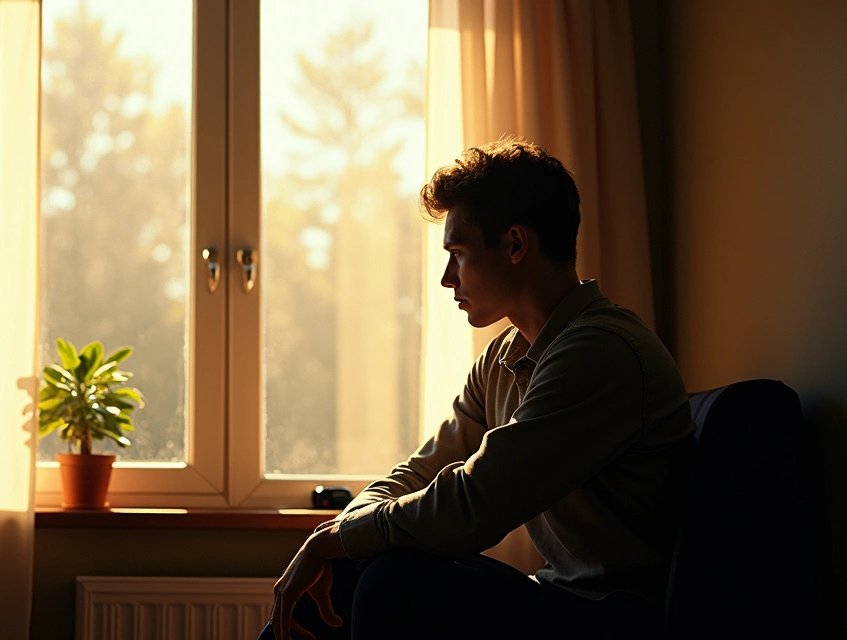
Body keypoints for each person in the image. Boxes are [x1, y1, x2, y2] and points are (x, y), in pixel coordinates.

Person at [262, 138, 695, 639]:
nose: (448, 278)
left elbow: (475, 504)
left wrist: (344, 538)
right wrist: (337, 534)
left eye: (459, 254)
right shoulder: (503, 356)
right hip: (559, 596)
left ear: (515, 244)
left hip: (617, 615)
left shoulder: (600, 353)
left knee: (392, 578)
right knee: (355, 561)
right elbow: (423, 470)